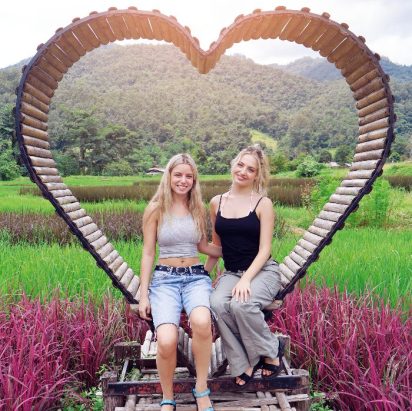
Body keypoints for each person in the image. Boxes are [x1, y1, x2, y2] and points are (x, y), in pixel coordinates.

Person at [138, 153, 219, 411]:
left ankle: (201, 388)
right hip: (164, 280)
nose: (183, 180)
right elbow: (148, 252)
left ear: (194, 180)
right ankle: (168, 396)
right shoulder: (155, 208)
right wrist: (143, 294)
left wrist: (236, 251)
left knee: (202, 322)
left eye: (189, 176)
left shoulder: (197, 208)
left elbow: (204, 246)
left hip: (195, 278)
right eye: (178, 175)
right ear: (169, 176)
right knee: (166, 340)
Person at [205, 145, 284, 387]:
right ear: (233, 165)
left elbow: (265, 250)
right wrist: (201, 271)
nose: (243, 171)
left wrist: (246, 279)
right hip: (232, 272)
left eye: (251, 169)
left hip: (262, 271)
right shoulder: (216, 203)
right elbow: (218, 248)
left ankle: (271, 351)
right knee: (217, 303)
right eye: (240, 165)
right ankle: (245, 361)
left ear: (257, 175)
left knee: (243, 304)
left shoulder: (263, 203)